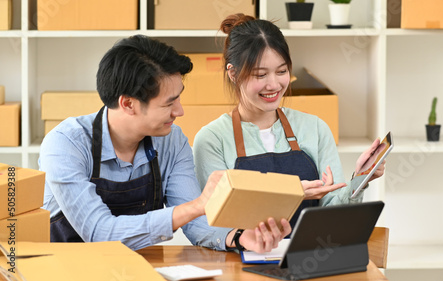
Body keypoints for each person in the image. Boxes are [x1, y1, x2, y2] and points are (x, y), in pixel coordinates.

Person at [39, 34, 291, 252]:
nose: (179, 111)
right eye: (169, 103)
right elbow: (99, 232)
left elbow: (194, 220)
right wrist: (196, 206)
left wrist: (236, 236)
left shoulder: (172, 142)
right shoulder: (65, 144)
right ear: (128, 103)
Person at [192, 14, 386, 228]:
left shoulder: (315, 129)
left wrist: (360, 179)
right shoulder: (212, 139)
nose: (274, 85)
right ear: (234, 74)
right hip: (241, 257)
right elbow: (219, 221)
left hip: (307, 255)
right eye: (260, 75)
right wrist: (292, 194)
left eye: (282, 71)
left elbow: (333, 215)